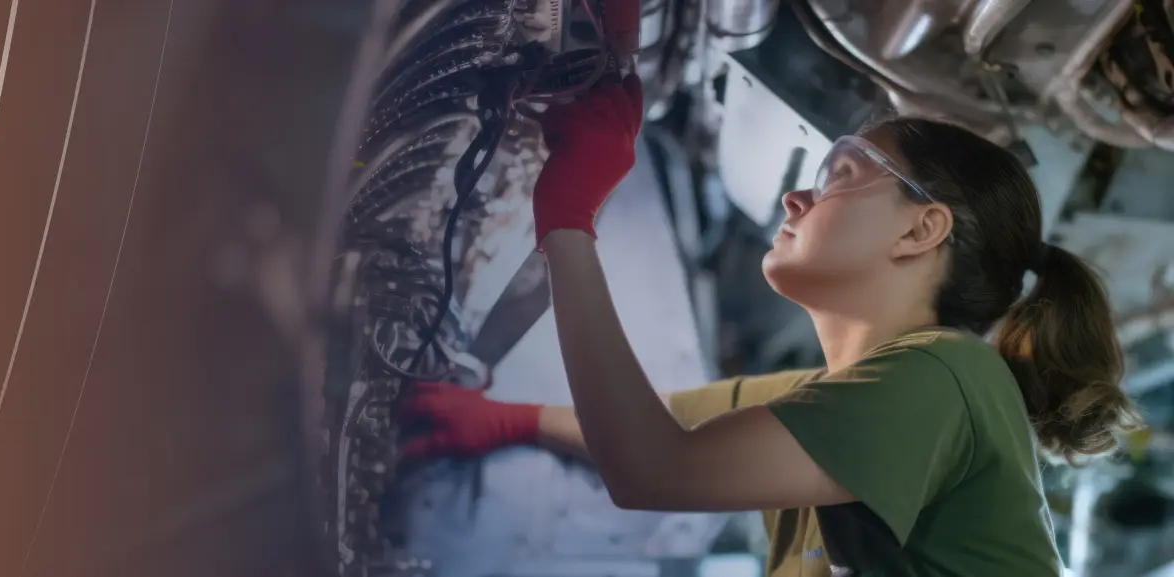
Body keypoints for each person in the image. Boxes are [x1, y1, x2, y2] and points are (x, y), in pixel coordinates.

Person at [400, 75, 1143, 576]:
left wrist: (567, 217)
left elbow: (653, 464)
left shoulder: (949, 377)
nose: (795, 198)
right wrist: (503, 420)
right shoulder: (856, 395)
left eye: (841, 175)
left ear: (922, 231)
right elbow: (663, 426)